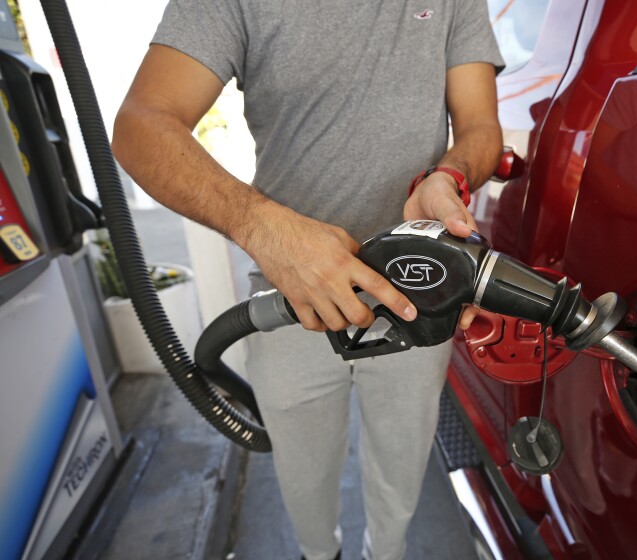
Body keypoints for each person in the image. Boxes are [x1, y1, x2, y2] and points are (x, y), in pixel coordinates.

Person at [111, 1, 504, 559]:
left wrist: (449, 175)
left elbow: (480, 126)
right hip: (288, 296)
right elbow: (141, 124)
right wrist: (268, 232)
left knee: (401, 466)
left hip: (415, 293)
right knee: (303, 478)